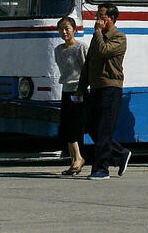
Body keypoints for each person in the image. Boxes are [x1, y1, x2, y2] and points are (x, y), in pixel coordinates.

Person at [76, 4, 131, 180]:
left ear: (112, 18)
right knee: (90, 126)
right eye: (97, 16)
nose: (98, 20)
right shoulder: (97, 37)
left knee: (103, 130)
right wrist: (81, 87)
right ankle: (120, 152)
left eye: (102, 16)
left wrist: (98, 32)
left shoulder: (119, 38)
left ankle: (101, 169)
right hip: (96, 87)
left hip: (110, 87)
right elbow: (89, 63)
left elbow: (103, 51)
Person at [54, 16, 87, 176]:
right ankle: (74, 160)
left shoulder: (80, 48)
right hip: (66, 90)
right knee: (65, 127)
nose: (64, 31)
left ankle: (78, 158)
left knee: (73, 127)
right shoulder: (58, 50)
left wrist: (81, 89)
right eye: (61, 29)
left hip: (78, 91)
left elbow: (86, 70)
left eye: (67, 28)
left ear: (74, 30)